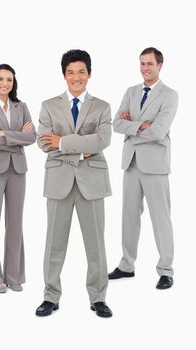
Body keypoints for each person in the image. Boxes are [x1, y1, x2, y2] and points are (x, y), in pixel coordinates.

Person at [36, 49, 112, 317]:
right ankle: (50, 296)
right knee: (53, 243)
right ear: (64, 75)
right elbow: (43, 143)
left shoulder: (102, 107)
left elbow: (102, 141)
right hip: (58, 180)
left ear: (89, 74)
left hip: (92, 182)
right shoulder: (48, 105)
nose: (76, 77)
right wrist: (83, 148)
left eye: (81, 72)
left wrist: (63, 142)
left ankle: (98, 297)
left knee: (96, 244)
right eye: (71, 72)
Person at [109, 47, 178, 289]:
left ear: (160, 65)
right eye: (142, 64)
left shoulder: (169, 95)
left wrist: (132, 127)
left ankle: (166, 270)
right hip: (131, 162)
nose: (144, 68)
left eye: (149, 64)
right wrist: (141, 126)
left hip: (155, 164)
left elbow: (159, 131)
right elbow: (116, 123)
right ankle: (127, 265)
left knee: (161, 218)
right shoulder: (131, 91)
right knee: (128, 216)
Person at [0, 64, 36, 293]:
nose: (5, 83)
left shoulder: (21, 106)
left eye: (9, 80)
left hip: (18, 169)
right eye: (0, 79)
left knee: (15, 223)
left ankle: (13, 275)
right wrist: (17, 135)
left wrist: (5, 134)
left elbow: (32, 137)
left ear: (14, 83)